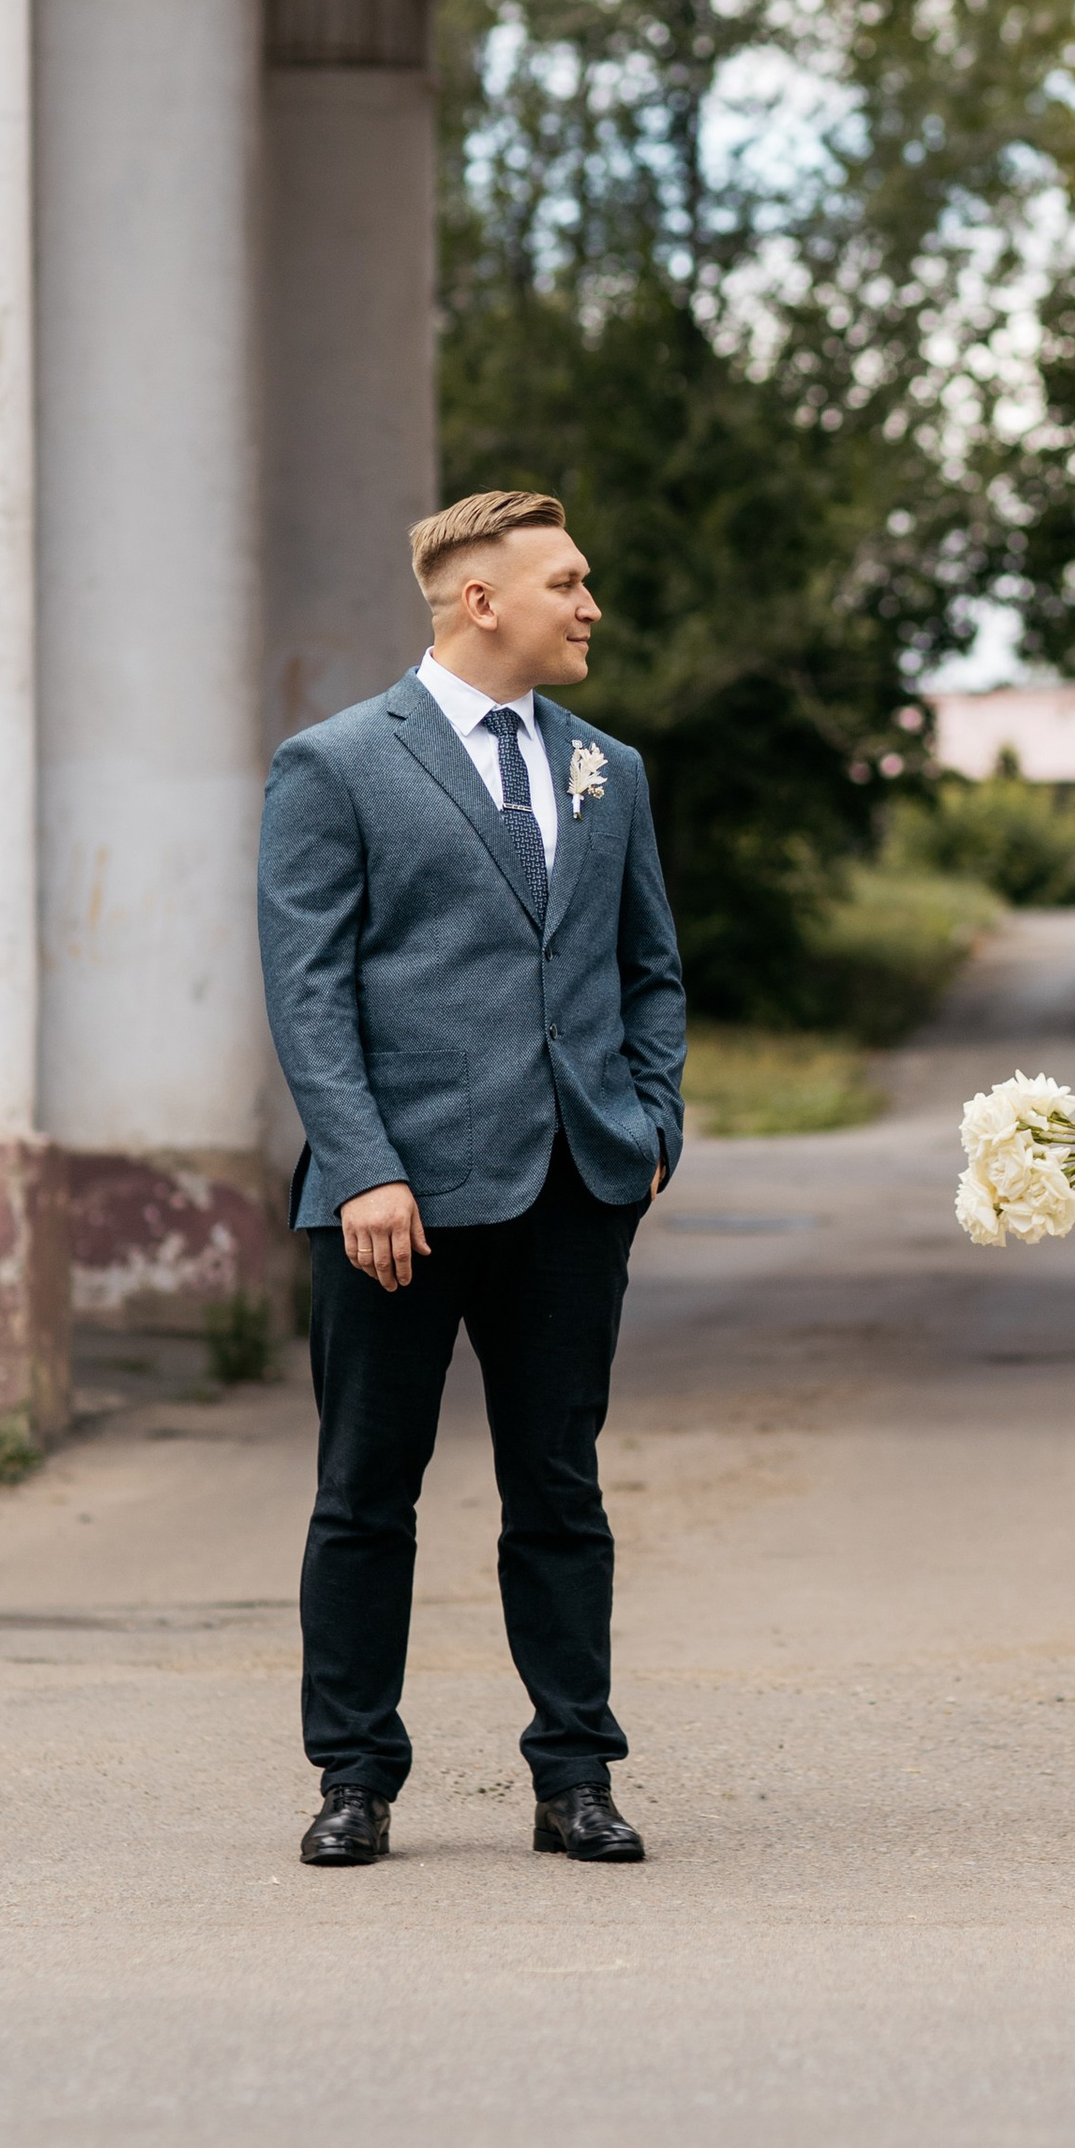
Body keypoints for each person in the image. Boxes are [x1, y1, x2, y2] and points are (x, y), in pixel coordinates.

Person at [257, 488, 686, 1871]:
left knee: (559, 1490)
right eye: (566, 582)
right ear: (477, 599)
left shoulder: (606, 768)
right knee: (365, 1492)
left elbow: (648, 969)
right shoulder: (333, 765)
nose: (590, 605)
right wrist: (366, 1166)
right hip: (395, 1204)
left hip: (575, 1185)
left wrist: (650, 1125)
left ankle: (576, 1777)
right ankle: (355, 1777)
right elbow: (309, 989)